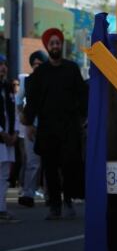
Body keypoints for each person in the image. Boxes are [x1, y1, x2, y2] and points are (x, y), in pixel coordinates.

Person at [23, 28, 88, 219]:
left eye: (57, 43)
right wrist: (28, 123)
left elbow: (82, 94)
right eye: (51, 43)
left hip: (68, 127)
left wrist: (86, 117)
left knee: (69, 165)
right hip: (47, 127)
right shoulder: (40, 73)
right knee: (50, 168)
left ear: (61, 45)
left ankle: (68, 200)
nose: (55, 46)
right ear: (47, 46)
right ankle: (55, 206)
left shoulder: (72, 68)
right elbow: (32, 99)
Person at [15, 50, 48, 207]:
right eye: (34, 65)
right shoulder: (26, 81)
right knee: (32, 162)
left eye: (40, 65)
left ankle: (51, 195)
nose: (37, 67)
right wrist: (24, 118)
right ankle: (28, 193)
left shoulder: (50, 81)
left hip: (49, 127)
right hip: (31, 127)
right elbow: (18, 100)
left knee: (49, 163)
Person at [0, 55, 19, 223]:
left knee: (4, 176)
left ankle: (2, 209)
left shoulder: (8, 88)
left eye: (5, 64)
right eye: (0, 65)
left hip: (8, 139)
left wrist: (14, 133)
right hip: (1, 138)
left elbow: (13, 113)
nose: (3, 68)